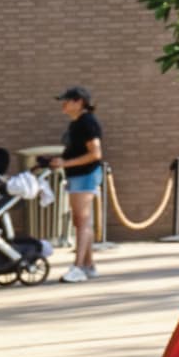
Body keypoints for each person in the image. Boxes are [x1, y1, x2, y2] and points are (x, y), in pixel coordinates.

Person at [54, 86, 103, 283]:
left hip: (86, 175)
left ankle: (78, 267)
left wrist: (65, 163)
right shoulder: (77, 124)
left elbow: (95, 154)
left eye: (67, 100)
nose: (63, 104)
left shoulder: (87, 123)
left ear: (79, 102)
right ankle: (89, 265)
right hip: (78, 175)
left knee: (82, 222)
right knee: (81, 221)